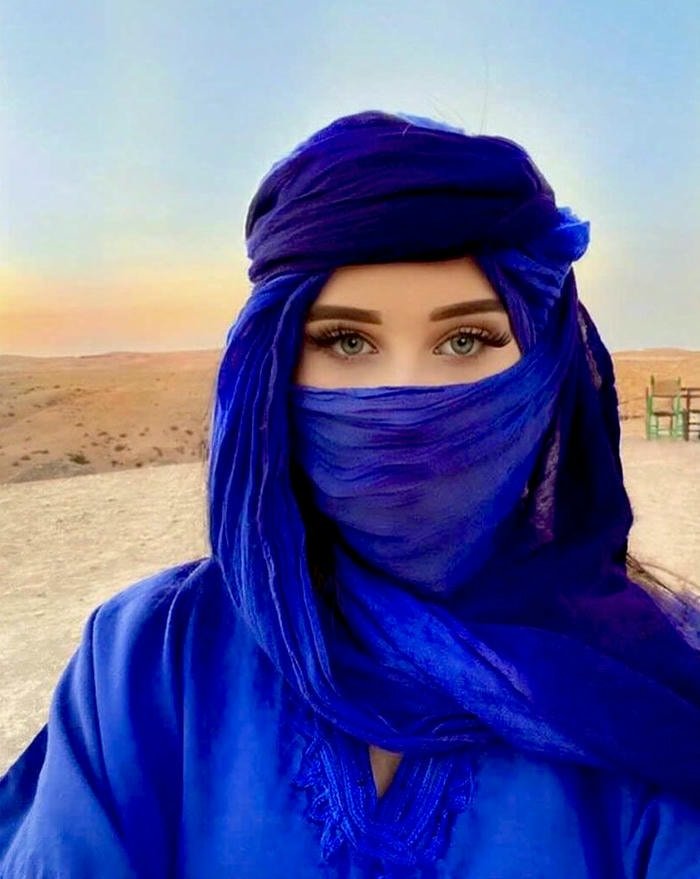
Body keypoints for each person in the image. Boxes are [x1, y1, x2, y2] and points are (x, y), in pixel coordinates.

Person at [1, 109, 700, 878]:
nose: (404, 397)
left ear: (543, 372)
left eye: (465, 340)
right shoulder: (150, 662)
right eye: (346, 340)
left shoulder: (651, 691)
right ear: (273, 370)